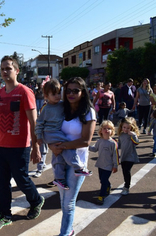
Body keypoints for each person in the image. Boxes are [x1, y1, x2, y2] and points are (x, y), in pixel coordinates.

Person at [0, 56, 44, 232]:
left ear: (16, 71)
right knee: (2, 184)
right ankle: (5, 215)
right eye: (2, 68)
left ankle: (36, 200)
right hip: (0, 147)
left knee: (22, 180)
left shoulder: (25, 92)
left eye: (8, 68)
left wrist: (36, 147)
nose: (5, 72)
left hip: (20, 147)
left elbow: (34, 123)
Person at [48, 77, 96, 236]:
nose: (71, 93)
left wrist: (61, 146)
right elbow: (49, 129)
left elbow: (85, 141)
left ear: (83, 92)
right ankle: (69, 229)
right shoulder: (61, 108)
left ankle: (66, 233)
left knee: (68, 203)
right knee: (63, 201)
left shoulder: (89, 112)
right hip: (60, 161)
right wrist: (50, 146)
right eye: (68, 90)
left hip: (77, 163)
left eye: (76, 90)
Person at [35, 79, 92, 190]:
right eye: (53, 94)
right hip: (50, 133)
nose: (57, 96)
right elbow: (39, 123)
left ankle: (59, 178)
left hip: (56, 133)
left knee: (59, 155)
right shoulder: (46, 109)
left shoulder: (62, 105)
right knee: (66, 146)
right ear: (46, 95)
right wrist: (39, 137)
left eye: (58, 93)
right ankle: (78, 167)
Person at [89, 120, 119, 205]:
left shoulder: (113, 143)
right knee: (102, 180)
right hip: (100, 164)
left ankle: (101, 196)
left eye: (109, 128)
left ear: (112, 131)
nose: (106, 130)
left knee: (104, 180)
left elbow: (115, 156)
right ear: (101, 130)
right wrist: (86, 146)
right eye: (104, 128)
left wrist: (115, 165)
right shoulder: (99, 141)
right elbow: (94, 149)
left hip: (108, 166)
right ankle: (108, 186)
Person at [117, 117, 139, 196]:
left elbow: (136, 143)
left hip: (131, 156)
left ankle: (126, 187)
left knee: (127, 171)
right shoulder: (121, 135)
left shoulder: (132, 135)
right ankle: (127, 182)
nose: (126, 129)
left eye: (128, 128)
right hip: (123, 156)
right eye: (124, 127)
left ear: (132, 128)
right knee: (124, 171)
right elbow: (119, 145)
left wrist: (133, 136)